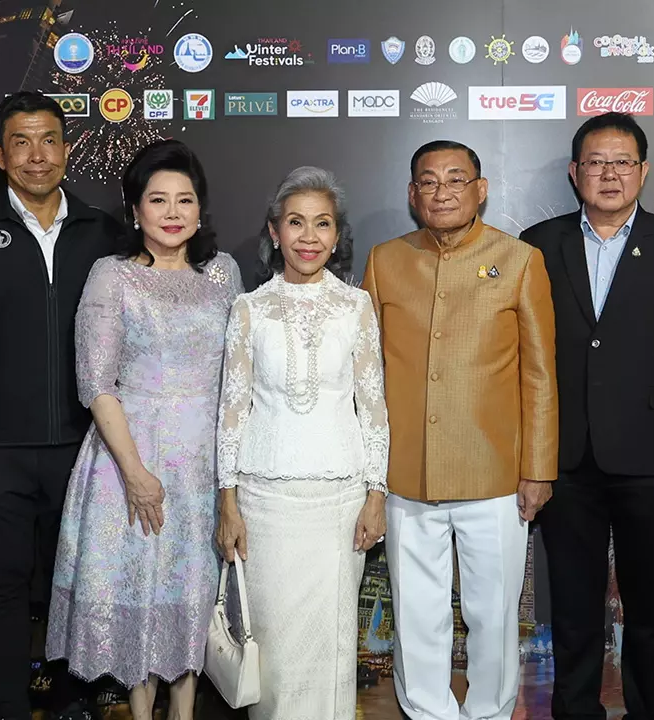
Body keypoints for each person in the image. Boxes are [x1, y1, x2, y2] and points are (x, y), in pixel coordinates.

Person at [521, 112, 654, 720]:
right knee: (573, 608)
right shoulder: (537, 244)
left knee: (651, 608)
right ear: (574, 171)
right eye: (596, 163)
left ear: (643, 171)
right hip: (566, 457)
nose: (609, 174)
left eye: (622, 162)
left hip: (651, 456)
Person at [0, 91, 120, 720]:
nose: (37, 155)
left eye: (48, 140)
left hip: (83, 449)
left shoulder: (105, 233)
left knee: (78, 590)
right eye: (21, 142)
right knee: (1, 591)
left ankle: (73, 706)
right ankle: (6, 710)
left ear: (67, 148)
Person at [44, 139, 242, 720]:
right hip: (130, 458)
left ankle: (185, 711)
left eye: (185, 199)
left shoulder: (223, 273)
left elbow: (240, 371)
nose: (173, 212)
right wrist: (134, 473)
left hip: (205, 464)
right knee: (144, 593)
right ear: (135, 210)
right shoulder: (113, 276)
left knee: (193, 591)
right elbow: (96, 383)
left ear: (200, 208)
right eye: (158, 200)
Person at [362, 140, 558, 720]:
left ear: (481, 189)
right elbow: (364, 372)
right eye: (429, 181)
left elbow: (540, 375)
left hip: (495, 473)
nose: (442, 192)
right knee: (416, 613)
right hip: (405, 472)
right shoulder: (385, 261)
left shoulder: (519, 260)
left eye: (456, 179)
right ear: (411, 193)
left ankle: (491, 712)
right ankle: (427, 712)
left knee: (493, 613)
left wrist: (538, 469)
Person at [214, 167, 389, 719]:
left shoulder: (356, 306)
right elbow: (232, 411)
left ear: (337, 236)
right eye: (295, 223)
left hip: (339, 501)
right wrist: (227, 500)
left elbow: (373, 406)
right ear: (274, 232)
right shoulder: (249, 308)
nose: (308, 236)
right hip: (264, 502)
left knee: (331, 643)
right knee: (273, 647)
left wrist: (376, 493)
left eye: (322, 223)